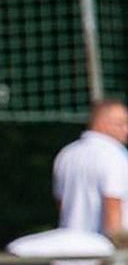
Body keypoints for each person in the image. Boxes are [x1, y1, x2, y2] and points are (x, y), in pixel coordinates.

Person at [54, 99, 128, 239]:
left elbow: (62, 206)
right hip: (103, 252)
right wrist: (118, 256)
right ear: (101, 122)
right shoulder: (115, 155)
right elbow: (113, 209)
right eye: (121, 124)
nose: (126, 129)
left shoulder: (66, 154)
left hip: (69, 250)